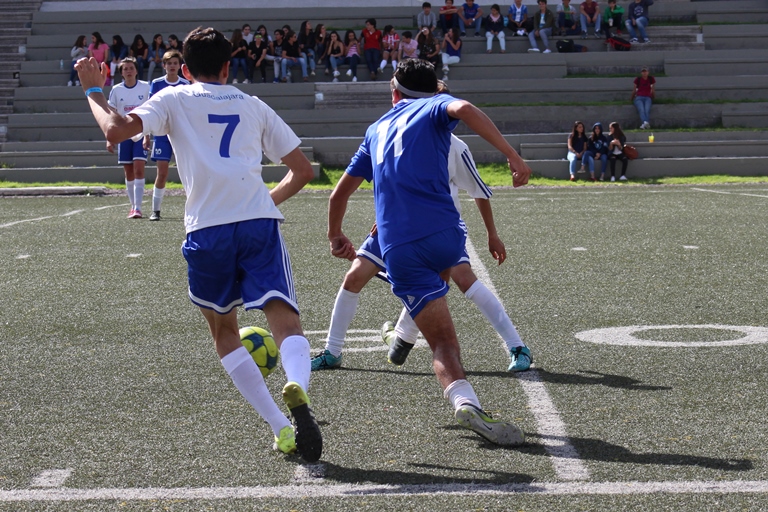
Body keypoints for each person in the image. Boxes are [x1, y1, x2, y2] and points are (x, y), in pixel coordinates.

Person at [75, 26, 322, 462]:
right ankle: (297, 384)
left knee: (224, 332)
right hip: (256, 222)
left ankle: (281, 427)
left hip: (206, 228)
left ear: (184, 69)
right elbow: (302, 170)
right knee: (285, 321)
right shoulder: (253, 103)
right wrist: (264, 200)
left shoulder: (173, 98)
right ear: (229, 66)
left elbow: (115, 132)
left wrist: (94, 90)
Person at [325, 59, 530, 446]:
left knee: (442, 343)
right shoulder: (435, 106)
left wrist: (336, 235)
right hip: (442, 233)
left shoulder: (375, 129)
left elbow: (339, 193)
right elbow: (465, 109)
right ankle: (407, 339)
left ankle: (464, 401)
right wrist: (512, 155)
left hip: (397, 245)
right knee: (455, 282)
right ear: (434, 90)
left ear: (394, 92)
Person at [142, 49, 189, 221]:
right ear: (164, 65)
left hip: (181, 133)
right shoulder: (157, 83)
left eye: (175, 63)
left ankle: (193, 210)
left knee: (189, 171)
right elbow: (150, 109)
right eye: (169, 63)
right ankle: (156, 210)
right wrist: (146, 135)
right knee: (162, 173)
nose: (172, 66)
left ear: (180, 66)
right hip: (162, 134)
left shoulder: (186, 84)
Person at [106, 57, 150, 218]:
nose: (129, 71)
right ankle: (132, 206)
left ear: (137, 70)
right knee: (128, 171)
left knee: (139, 168)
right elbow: (111, 115)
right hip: (124, 133)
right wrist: (109, 137)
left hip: (140, 132)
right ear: (121, 73)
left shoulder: (146, 87)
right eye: (125, 69)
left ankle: (138, 207)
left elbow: (151, 111)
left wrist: (147, 135)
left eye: (131, 68)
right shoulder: (116, 90)